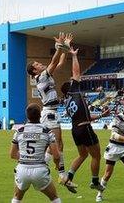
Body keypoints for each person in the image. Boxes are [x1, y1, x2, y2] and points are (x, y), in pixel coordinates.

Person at [26, 32, 76, 192]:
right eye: (38, 64)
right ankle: (60, 175)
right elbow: (55, 61)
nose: (41, 64)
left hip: (52, 112)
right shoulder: (41, 77)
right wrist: (60, 47)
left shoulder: (44, 76)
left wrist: (65, 49)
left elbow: (59, 64)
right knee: (56, 144)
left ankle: (49, 170)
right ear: (34, 70)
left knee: (55, 144)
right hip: (49, 113)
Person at [60, 45, 110, 193]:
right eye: (71, 82)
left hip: (75, 129)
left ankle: (68, 177)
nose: (73, 81)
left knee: (83, 154)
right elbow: (76, 72)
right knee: (96, 155)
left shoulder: (67, 102)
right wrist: (74, 55)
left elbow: (86, 117)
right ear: (70, 88)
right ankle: (95, 181)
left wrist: (101, 115)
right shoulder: (74, 91)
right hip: (85, 128)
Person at [9, 103, 62, 203]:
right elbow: (56, 155)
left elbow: (12, 154)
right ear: (40, 115)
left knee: (17, 197)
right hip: (40, 170)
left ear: (27, 115)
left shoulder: (19, 131)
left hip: (22, 170)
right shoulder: (47, 132)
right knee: (54, 197)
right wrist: (57, 165)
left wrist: (26, 157)